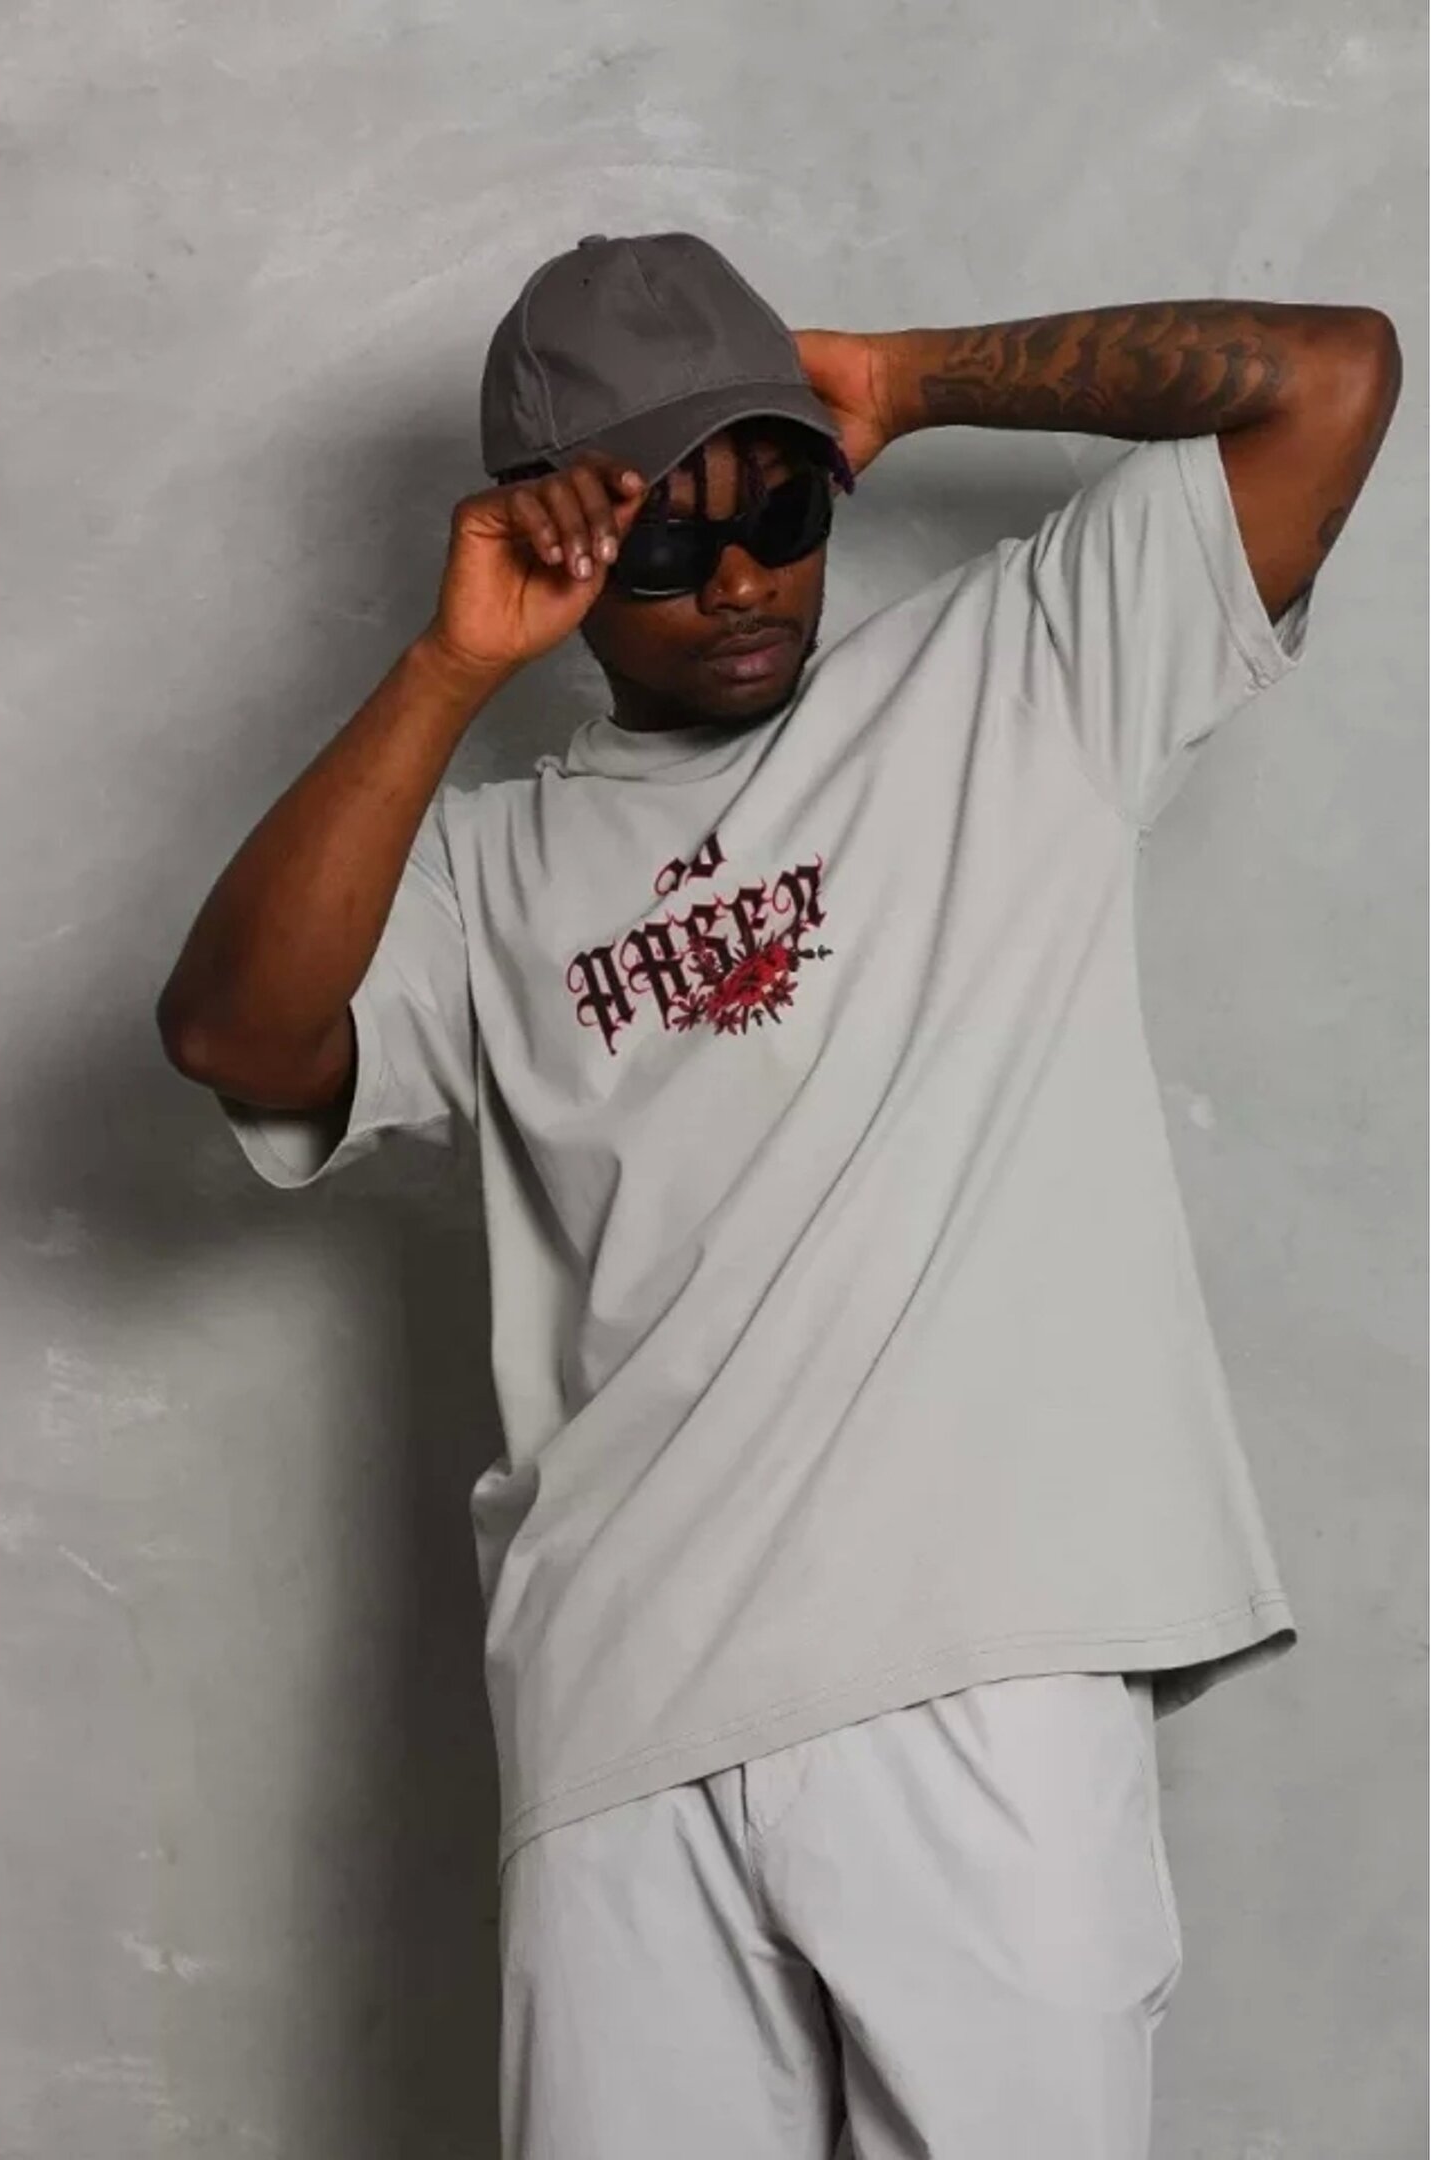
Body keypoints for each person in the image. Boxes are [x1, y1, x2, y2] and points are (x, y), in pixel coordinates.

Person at [156, 231, 1400, 2158]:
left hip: (975, 1673)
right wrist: (446, 667)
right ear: (557, 541)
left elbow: (1333, 379)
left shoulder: (1019, 677)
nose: (740, 578)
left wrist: (908, 378)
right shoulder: (484, 875)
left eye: (781, 509)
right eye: (666, 537)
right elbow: (234, 1031)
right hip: (617, 1727)